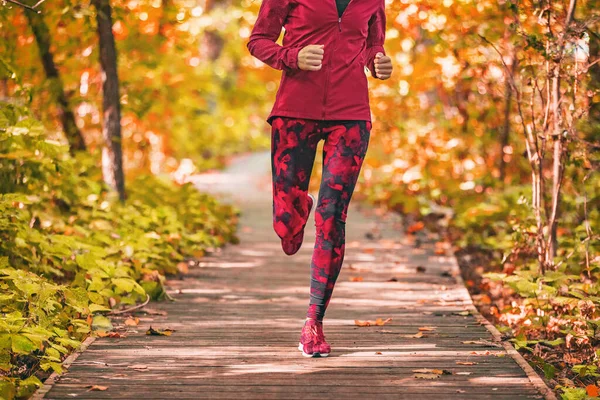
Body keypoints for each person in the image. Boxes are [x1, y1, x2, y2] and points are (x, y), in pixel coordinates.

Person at [247, 0, 392, 358]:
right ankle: (293, 212)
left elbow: (373, 45)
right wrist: (291, 57)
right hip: (295, 111)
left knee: (332, 217)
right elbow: (258, 40)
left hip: (351, 115)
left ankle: (314, 321)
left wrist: (379, 62)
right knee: (286, 221)